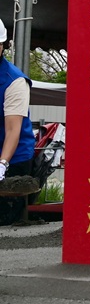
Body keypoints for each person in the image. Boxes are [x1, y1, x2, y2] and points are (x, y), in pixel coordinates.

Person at [0, 20, 37, 225]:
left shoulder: (14, 81)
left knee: (6, 221)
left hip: (14, 158)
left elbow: (13, 129)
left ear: (2, 45)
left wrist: (2, 163)